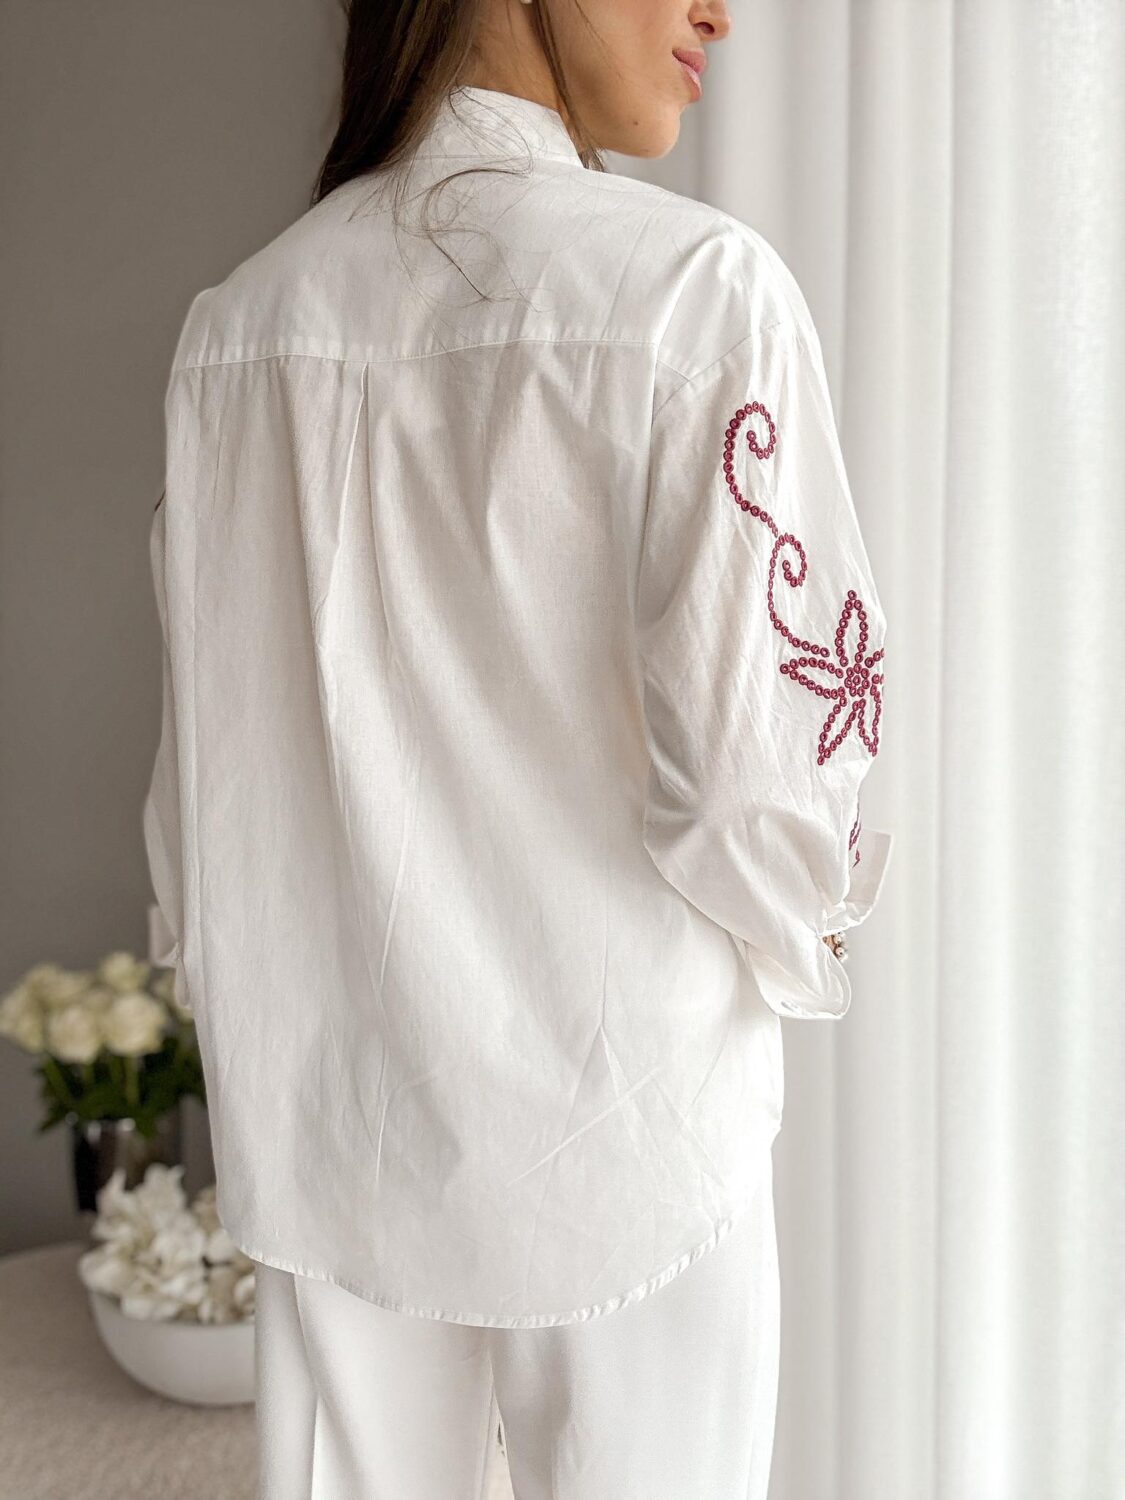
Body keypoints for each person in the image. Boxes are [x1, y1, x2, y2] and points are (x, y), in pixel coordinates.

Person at [143, 0, 894, 1495]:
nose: (720, 12)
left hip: (335, 1126)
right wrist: (804, 931)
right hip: (629, 1134)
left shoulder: (234, 330)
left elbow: (202, 798)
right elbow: (763, 786)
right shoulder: (695, 294)